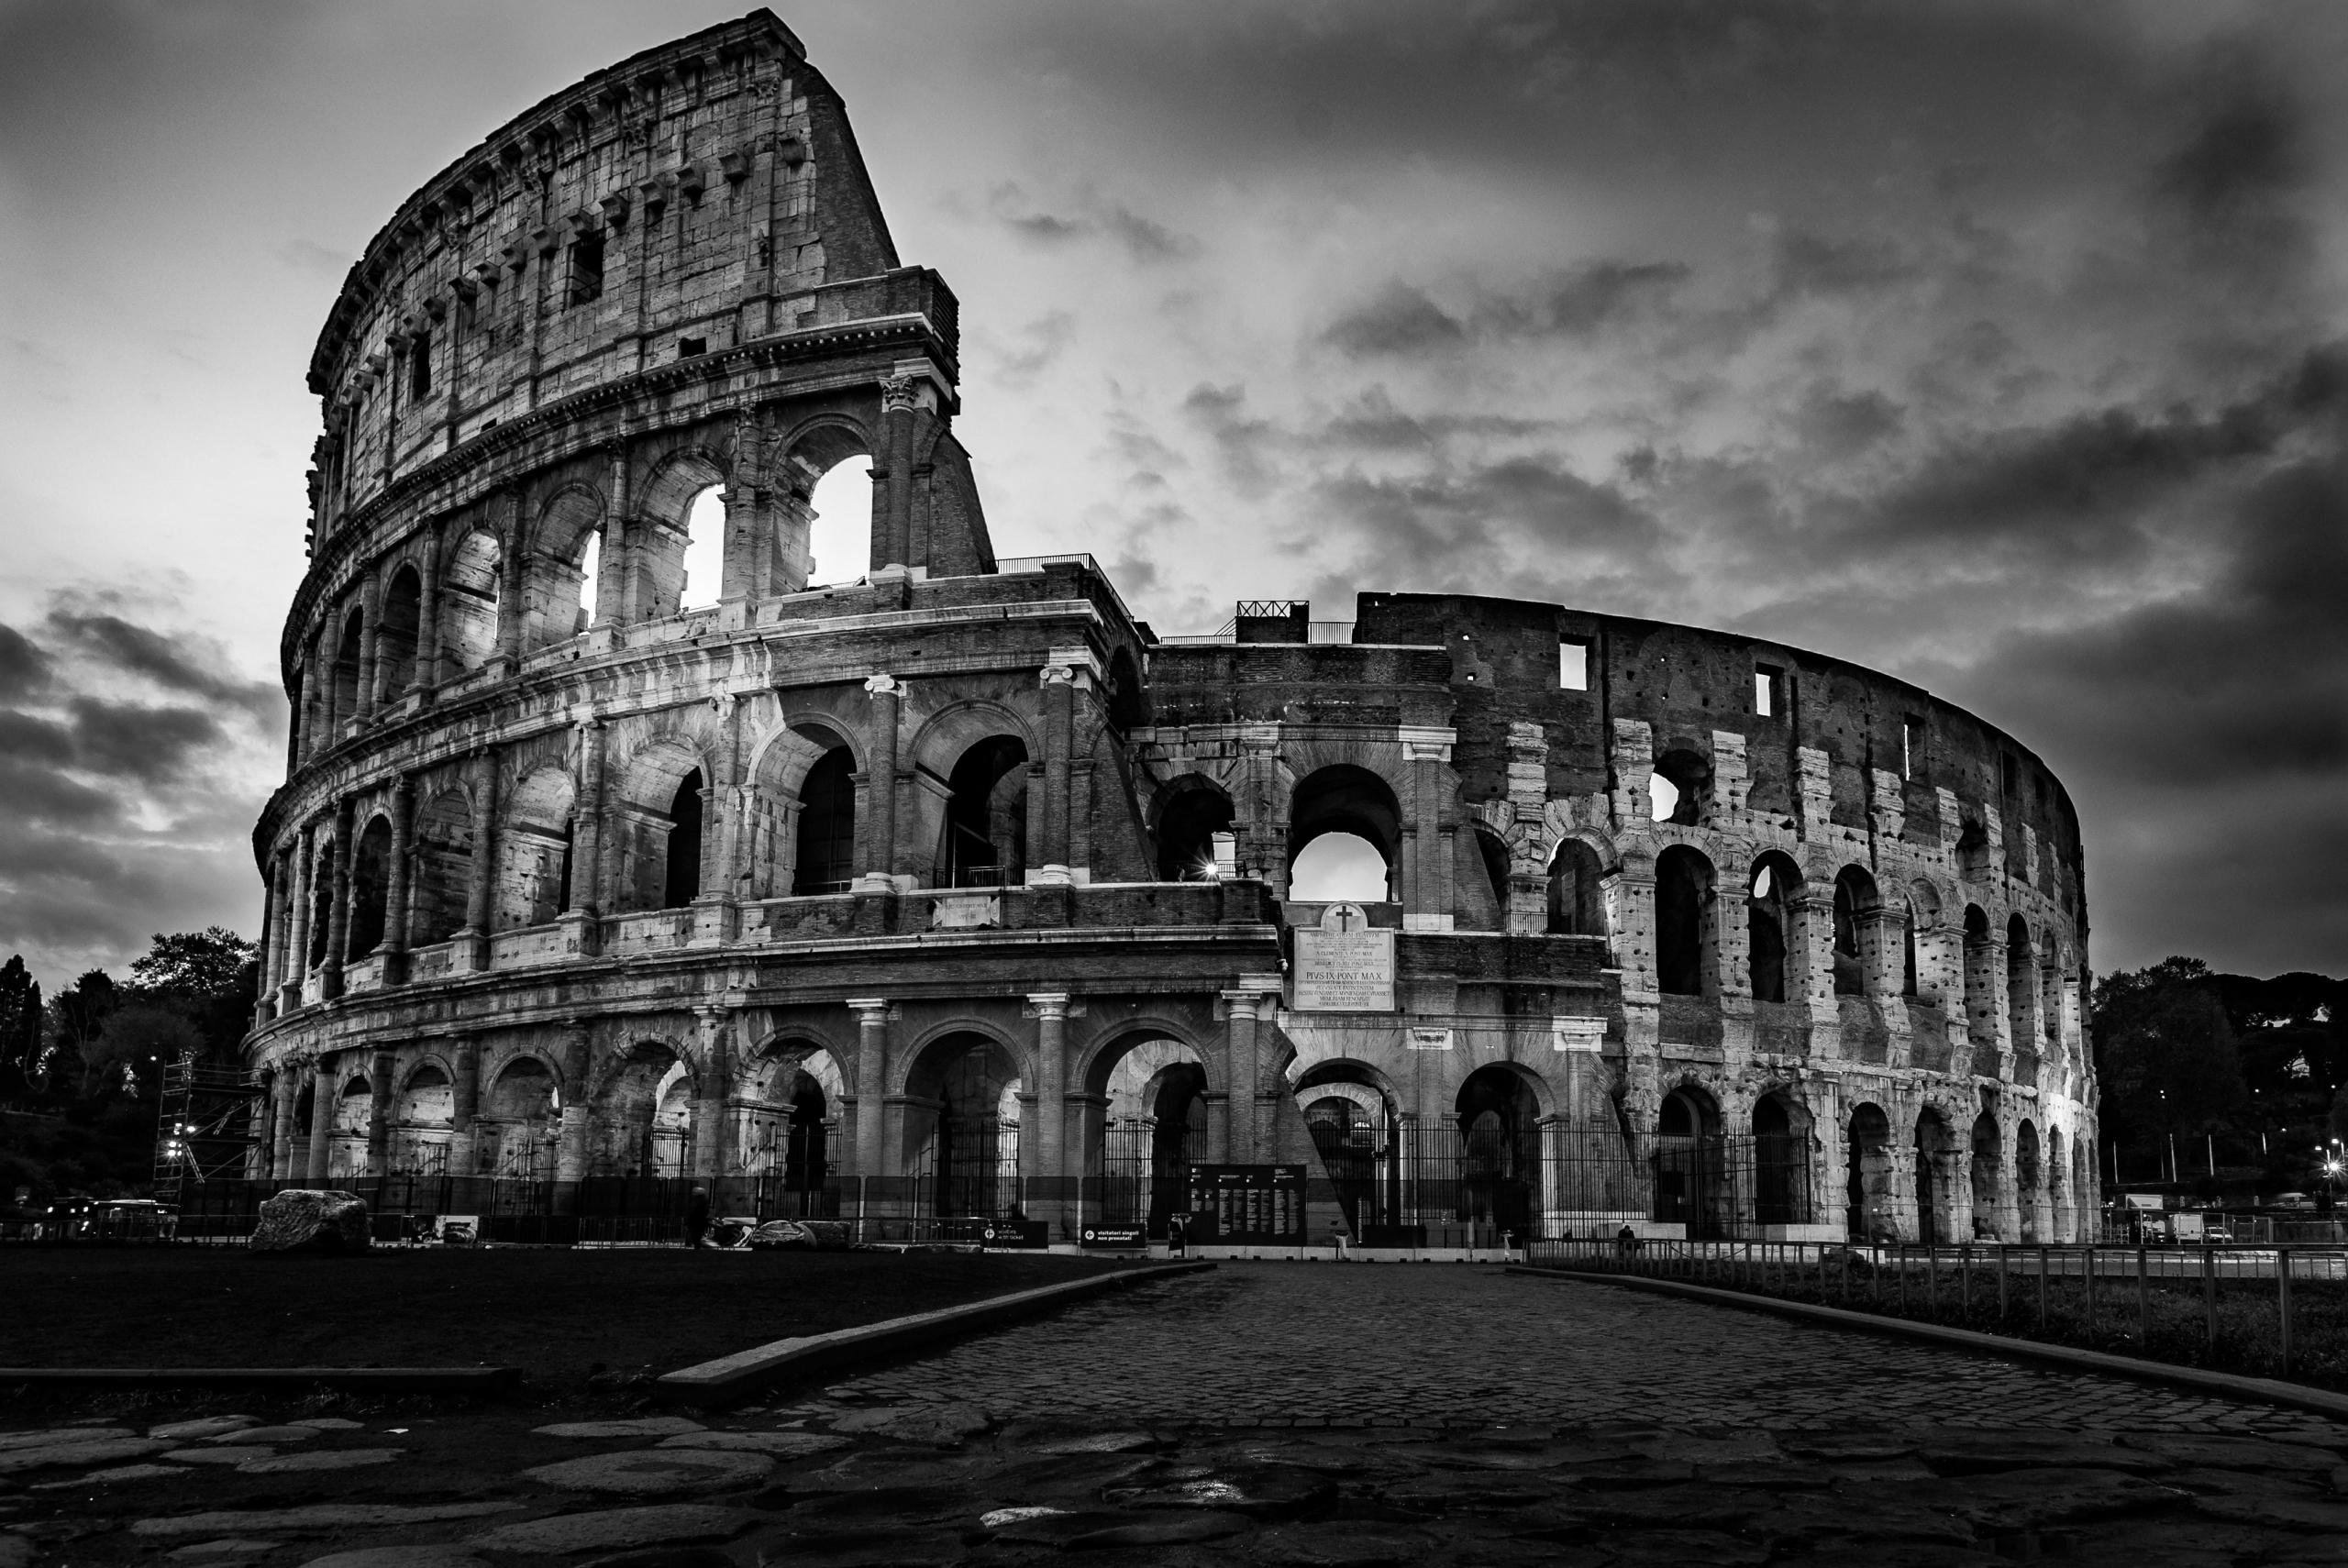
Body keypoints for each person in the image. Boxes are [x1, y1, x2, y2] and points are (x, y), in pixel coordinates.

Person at [685, 1186, 711, 1251]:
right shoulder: (703, 1200)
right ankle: (698, 1246)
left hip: (696, 1220)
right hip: (699, 1220)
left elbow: (694, 1210)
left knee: (695, 1235)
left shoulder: (697, 1200)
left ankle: (698, 1247)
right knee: (696, 1235)